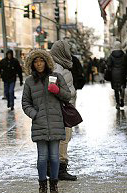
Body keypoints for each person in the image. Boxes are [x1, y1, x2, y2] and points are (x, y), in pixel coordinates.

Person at [21, 49, 71, 193]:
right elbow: (25, 103)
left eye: (41, 61)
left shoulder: (57, 77)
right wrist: (34, 114)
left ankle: (54, 185)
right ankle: (42, 185)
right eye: (36, 62)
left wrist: (57, 91)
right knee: (42, 157)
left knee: (55, 157)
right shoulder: (30, 82)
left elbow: (67, 96)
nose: (39, 64)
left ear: (46, 62)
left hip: (55, 122)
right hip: (40, 124)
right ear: (32, 64)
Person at [50, 40, 78, 182]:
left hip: (62, 107)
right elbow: (53, 89)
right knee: (63, 138)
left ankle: (57, 168)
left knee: (64, 138)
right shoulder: (57, 68)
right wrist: (69, 94)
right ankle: (60, 169)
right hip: (61, 109)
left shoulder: (59, 66)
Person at [107, 41, 127, 110]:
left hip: (114, 74)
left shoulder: (111, 55)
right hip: (122, 73)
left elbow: (109, 64)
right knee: (122, 87)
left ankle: (118, 103)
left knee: (116, 89)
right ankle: (122, 98)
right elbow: (126, 64)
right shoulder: (123, 55)